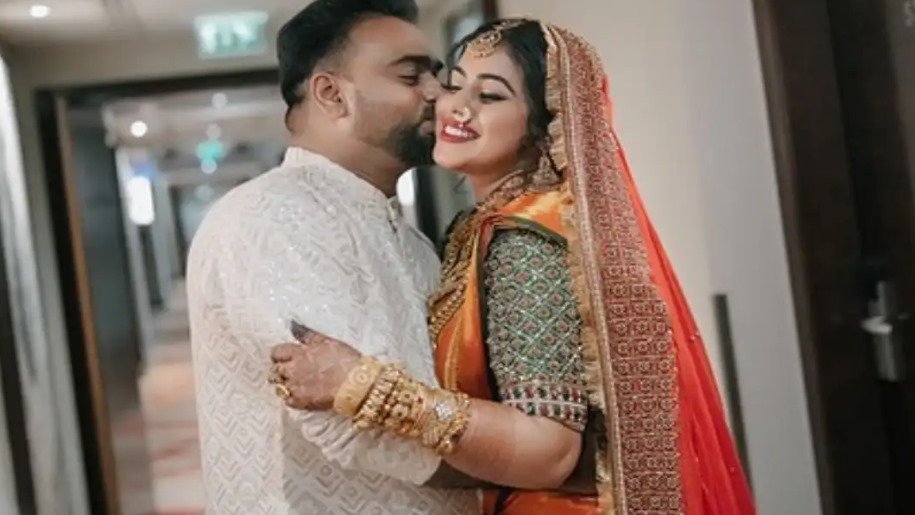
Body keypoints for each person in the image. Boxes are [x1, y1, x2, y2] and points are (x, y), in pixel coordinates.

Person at [270, 18, 757, 515]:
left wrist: (364, 386)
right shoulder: (482, 227)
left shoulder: (524, 241)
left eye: (490, 95)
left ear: (546, 126)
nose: (455, 106)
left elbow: (550, 450)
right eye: (455, 85)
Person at [186, 0, 485, 513]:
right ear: (331, 93)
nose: (438, 93)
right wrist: (545, 464)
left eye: (435, 75)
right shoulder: (272, 214)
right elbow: (360, 427)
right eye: (411, 76)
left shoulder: (407, 240)